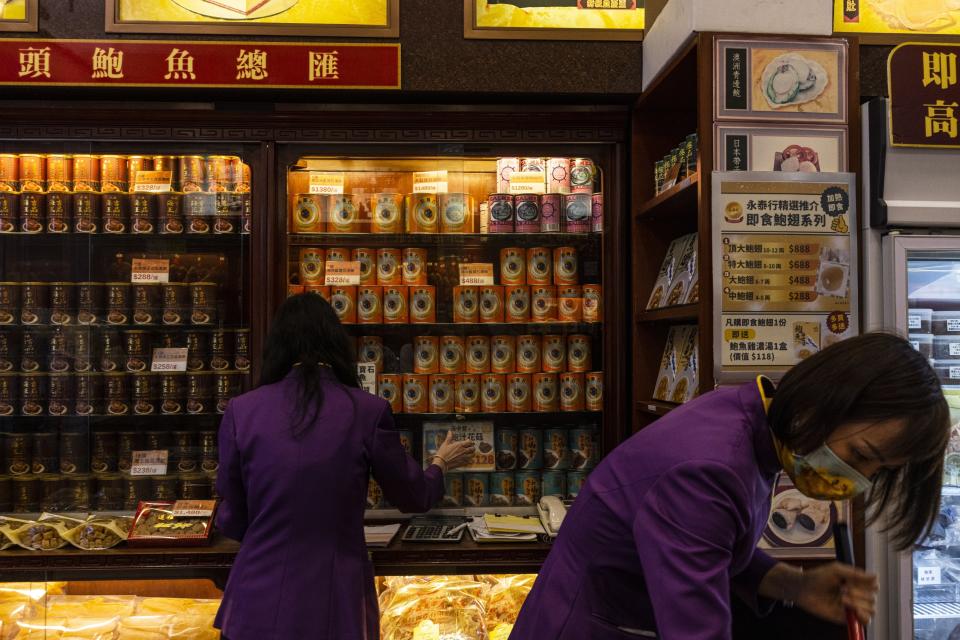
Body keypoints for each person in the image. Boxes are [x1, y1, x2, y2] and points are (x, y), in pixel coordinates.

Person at [510, 332, 951, 639]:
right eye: (861, 457)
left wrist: (794, 585)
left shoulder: (752, 415)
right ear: (824, 403)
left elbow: (712, 547)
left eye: (877, 472)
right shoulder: (707, 472)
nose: (858, 480)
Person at [214, 293, 476, 640]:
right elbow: (413, 496)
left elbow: (232, 517)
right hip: (334, 598)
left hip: (255, 599)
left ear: (275, 345)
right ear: (337, 342)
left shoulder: (242, 410)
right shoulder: (367, 410)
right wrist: (440, 463)